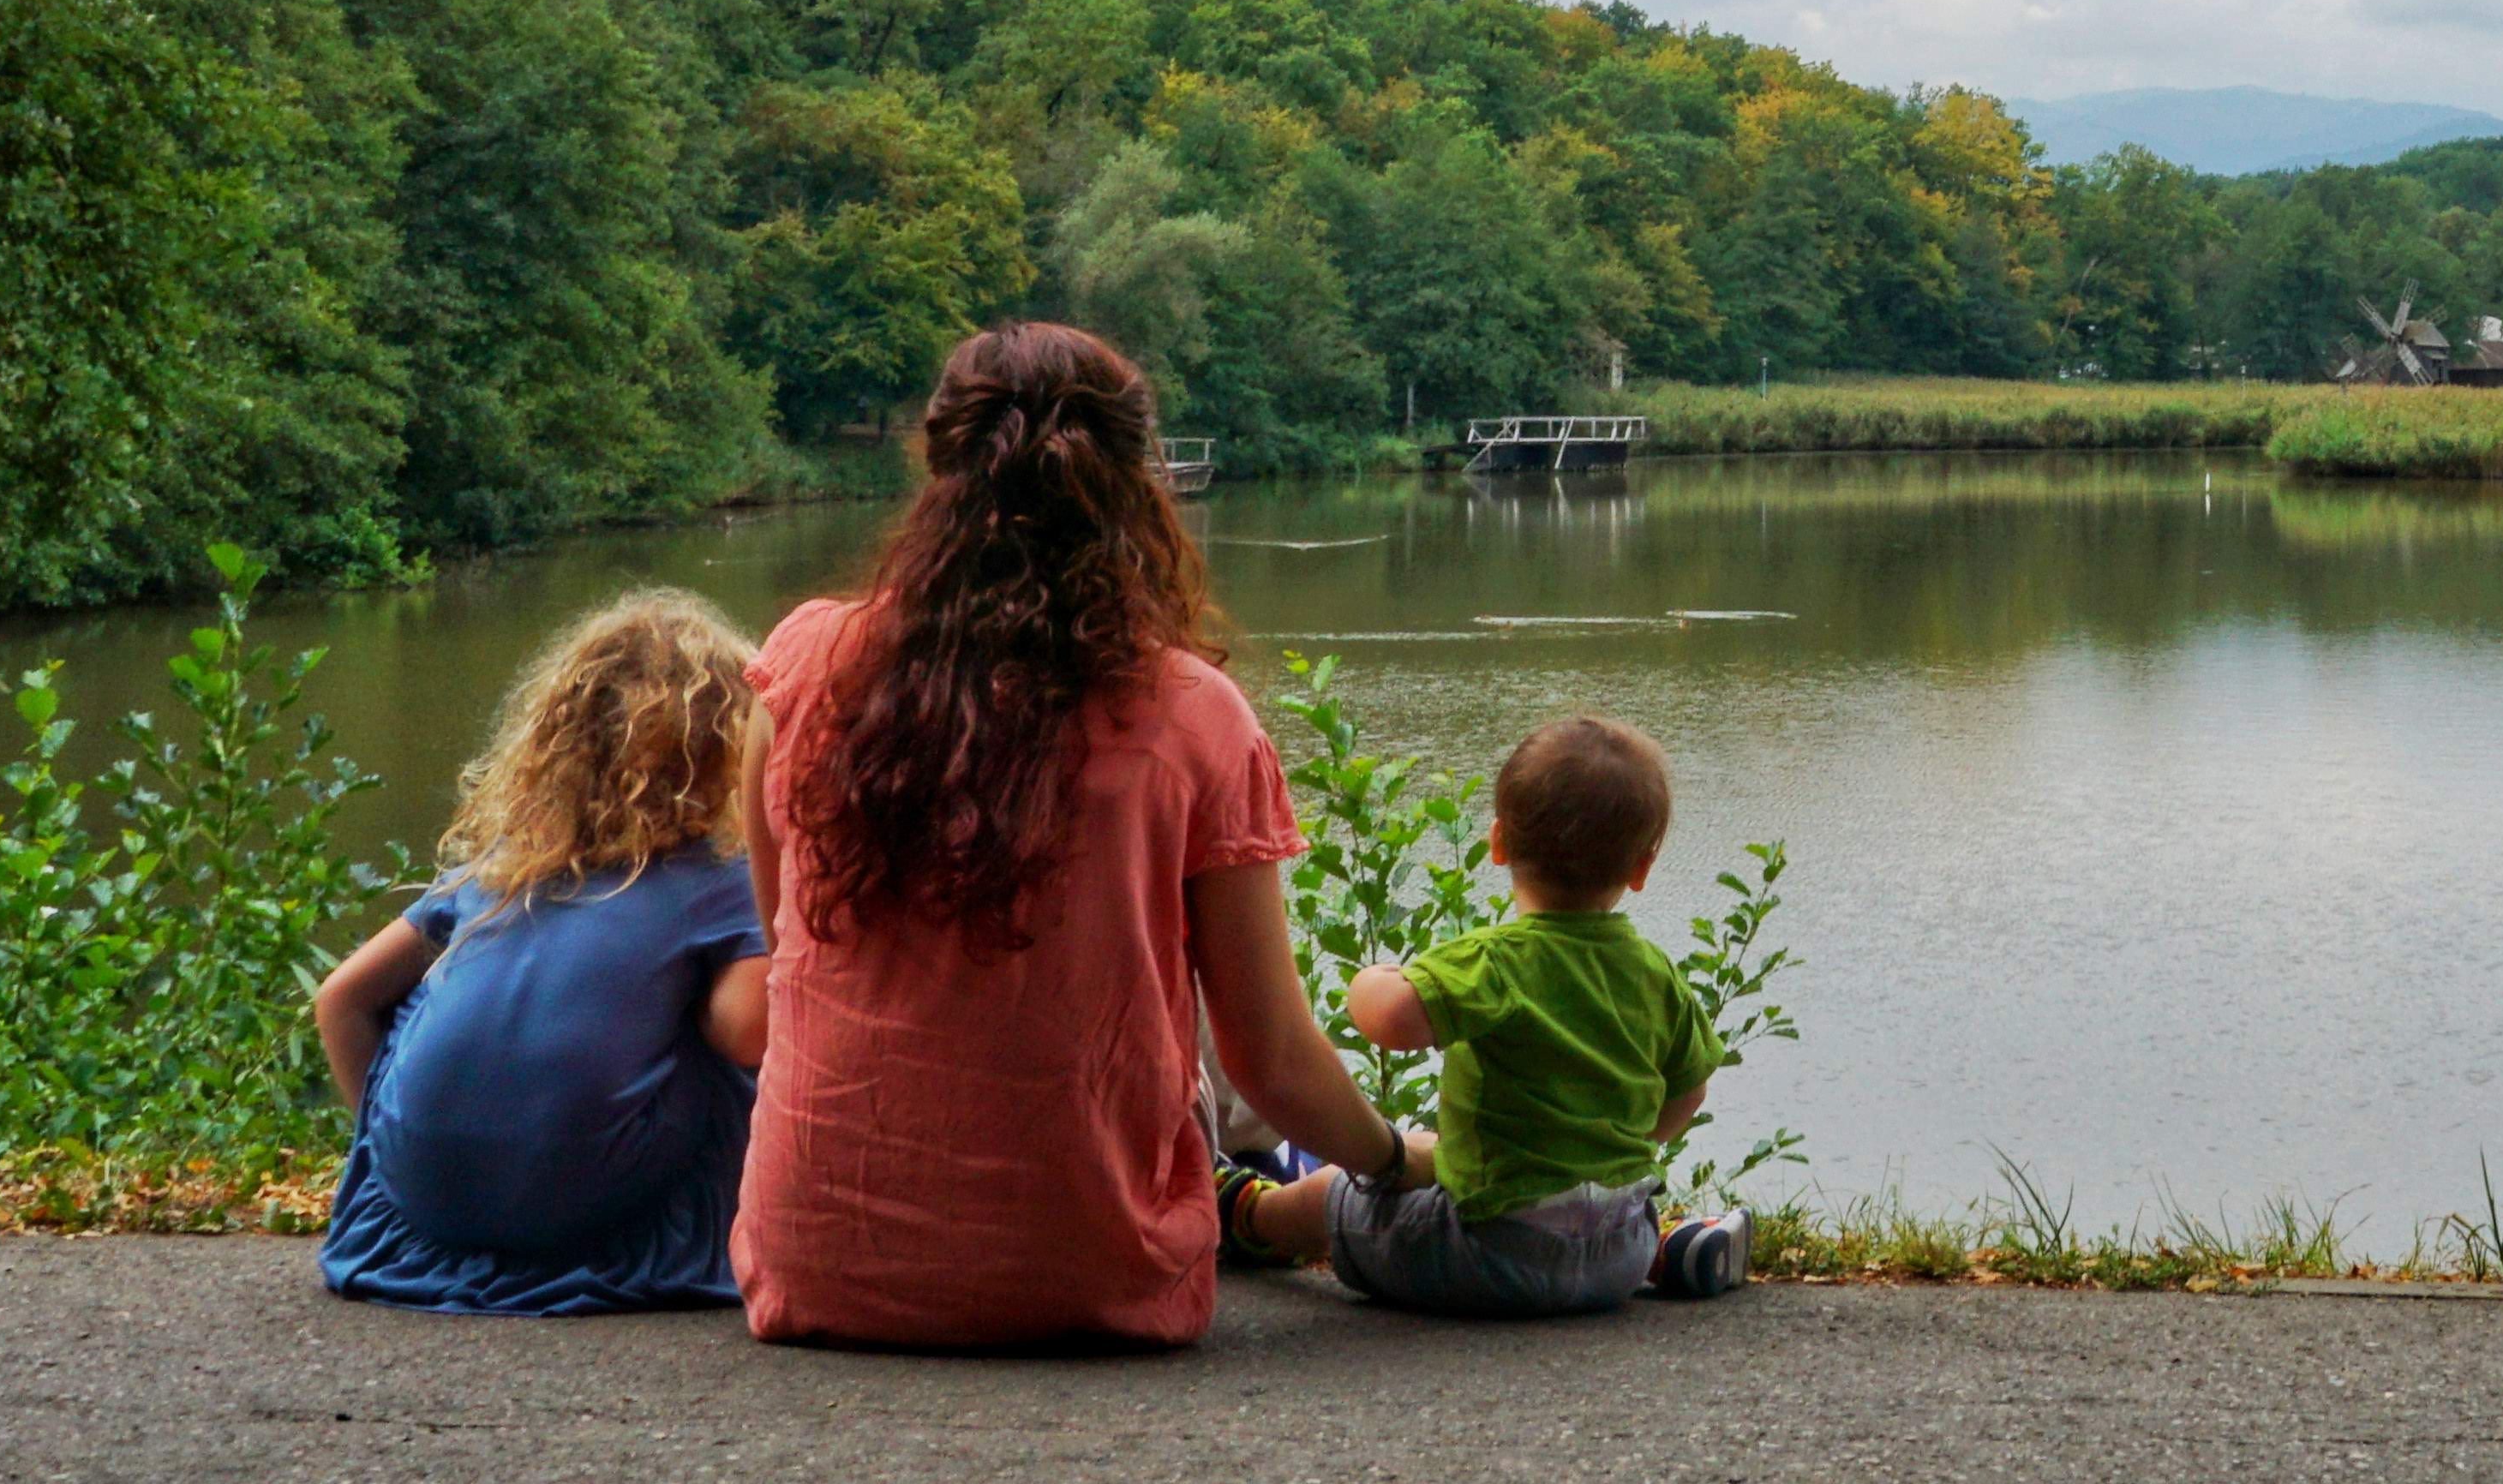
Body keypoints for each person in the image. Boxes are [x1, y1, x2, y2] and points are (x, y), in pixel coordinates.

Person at [731, 320, 1428, 1349]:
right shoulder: (1194, 711)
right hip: (1092, 1278)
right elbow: (1269, 1057)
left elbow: (788, 943)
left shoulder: (800, 664)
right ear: (1137, 485)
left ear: (935, 465)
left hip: (819, 1267)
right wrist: (1395, 1160)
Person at [312, 590, 770, 1314]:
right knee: (708, 1039)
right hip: (586, 1204)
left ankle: (436, 1168)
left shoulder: (498, 867)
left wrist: (388, 1165)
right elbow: (748, 1034)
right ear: (729, 747)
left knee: (427, 1002)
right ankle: (736, 1229)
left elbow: (340, 999)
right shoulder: (719, 877)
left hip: (419, 1209)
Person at [1219, 714, 1755, 1314]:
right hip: (1615, 1251)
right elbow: (1690, 1088)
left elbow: (1390, 1023)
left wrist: (1374, 978)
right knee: (1583, 1217)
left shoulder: (1495, 963)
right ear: (1640, 868)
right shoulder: (1655, 973)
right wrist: (1625, 1145)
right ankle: (1671, 1250)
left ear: (1497, 843)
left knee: (1343, 1189)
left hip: (1483, 1255)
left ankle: (1247, 1215)